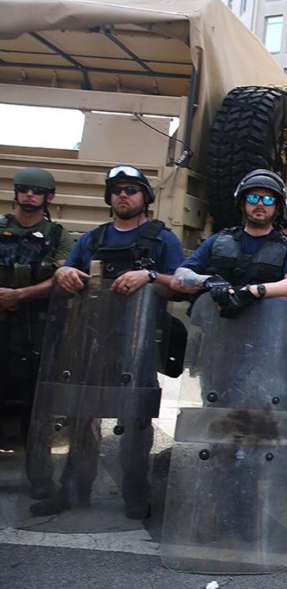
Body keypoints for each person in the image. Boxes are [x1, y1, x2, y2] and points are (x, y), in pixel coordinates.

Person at [35, 165, 184, 518]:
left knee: (135, 420)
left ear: (145, 197)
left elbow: (182, 283)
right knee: (82, 415)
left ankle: (135, 495)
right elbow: (66, 270)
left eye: (131, 189)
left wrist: (149, 276)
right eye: (117, 190)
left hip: (140, 341)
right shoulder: (94, 238)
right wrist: (64, 272)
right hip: (92, 339)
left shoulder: (162, 238)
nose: (123, 195)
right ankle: (73, 491)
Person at [0, 167, 73, 499]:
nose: (29, 195)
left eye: (36, 190)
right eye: (24, 189)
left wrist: (21, 295)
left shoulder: (58, 237)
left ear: (49, 197)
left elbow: (63, 278)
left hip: (36, 330)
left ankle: (40, 479)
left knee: (38, 408)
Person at [171, 169, 287, 307]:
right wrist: (207, 281)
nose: (260, 204)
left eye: (268, 200)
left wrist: (254, 291)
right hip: (215, 324)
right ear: (243, 204)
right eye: (253, 198)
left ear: (277, 208)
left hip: (265, 326)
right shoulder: (218, 241)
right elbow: (178, 278)